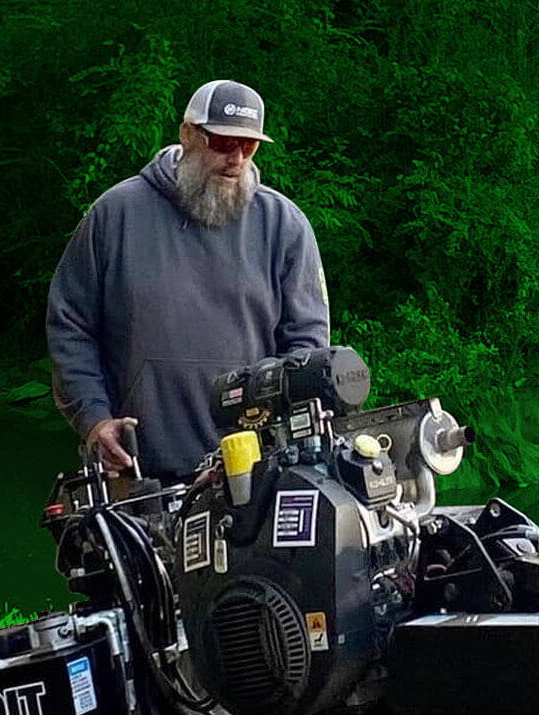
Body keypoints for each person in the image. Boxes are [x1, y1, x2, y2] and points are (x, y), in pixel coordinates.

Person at [46, 79, 330, 483]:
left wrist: (279, 440)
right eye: (223, 142)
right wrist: (94, 418)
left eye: (248, 146)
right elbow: (70, 324)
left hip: (247, 472)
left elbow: (306, 348)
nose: (235, 158)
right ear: (188, 134)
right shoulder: (115, 214)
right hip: (133, 469)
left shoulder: (285, 226)